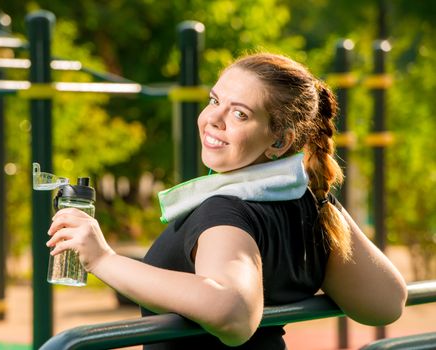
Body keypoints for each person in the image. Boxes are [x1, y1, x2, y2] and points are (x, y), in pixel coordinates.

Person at [46, 52, 407, 349]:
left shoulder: (226, 209)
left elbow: (233, 312)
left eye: (240, 114)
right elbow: (386, 302)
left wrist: (104, 259)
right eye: (215, 101)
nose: (213, 119)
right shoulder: (310, 202)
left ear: (279, 142)